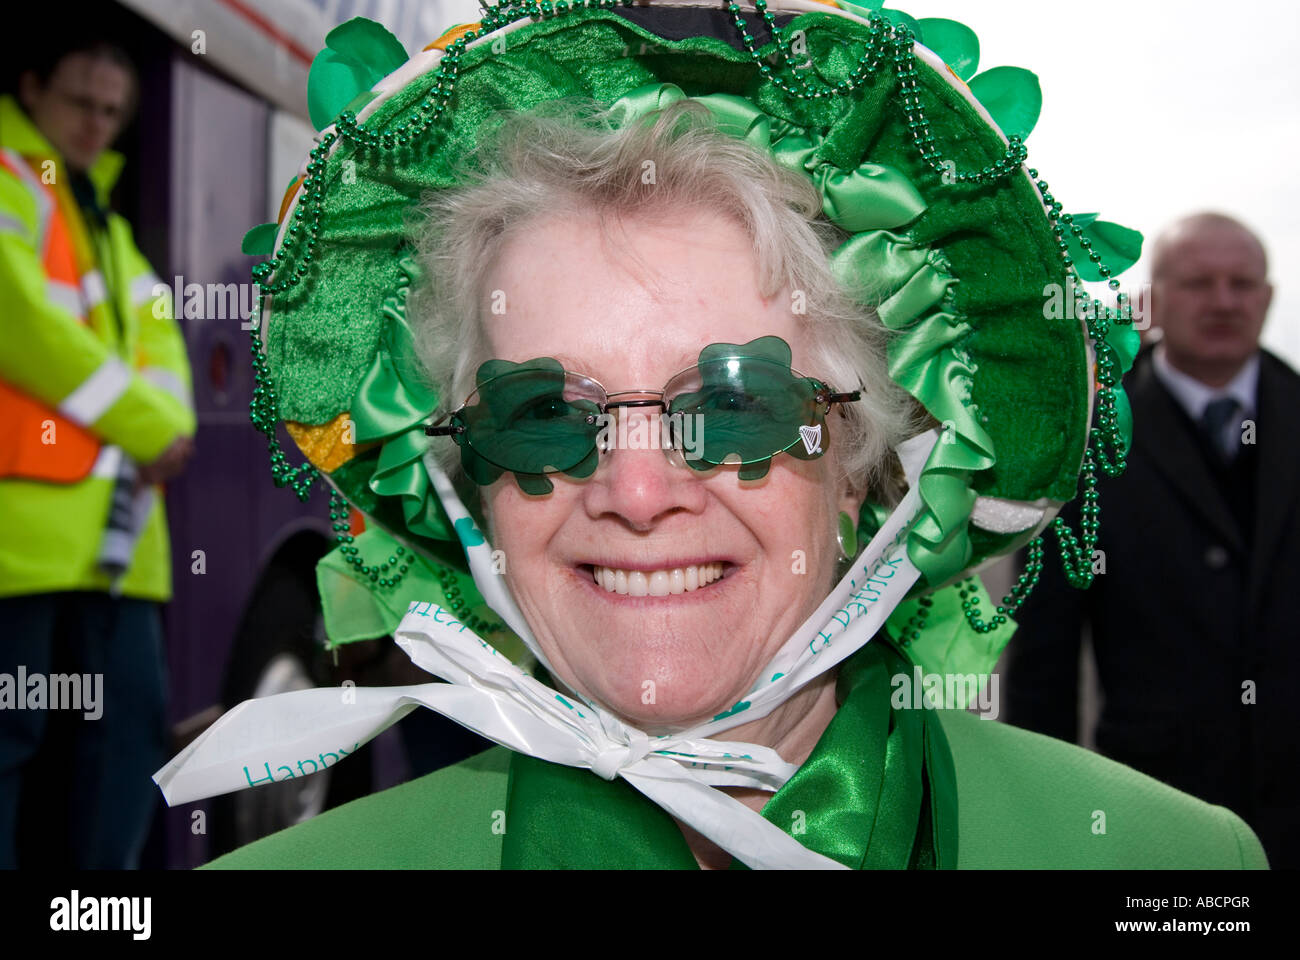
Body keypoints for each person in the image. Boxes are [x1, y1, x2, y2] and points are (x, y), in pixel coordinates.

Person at [156, 1, 1266, 869]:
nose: (636, 492)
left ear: (861, 467)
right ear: (468, 479)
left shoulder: (1175, 864)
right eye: (544, 417)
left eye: (735, 402)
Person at [1003, 212, 1299, 869]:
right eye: (1199, 283)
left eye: (1241, 283)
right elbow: (1044, 662)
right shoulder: (1087, 439)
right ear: (1154, 300)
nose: (1224, 301)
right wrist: (1041, 821)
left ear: (1269, 297)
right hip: (1158, 823)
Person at [0, 35, 195, 868]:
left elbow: (168, 359)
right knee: (14, 744)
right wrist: (151, 430)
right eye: (82, 102)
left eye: (113, 112)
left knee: (121, 752)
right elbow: (20, 323)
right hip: (26, 536)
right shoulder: (12, 184)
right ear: (32, 86)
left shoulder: (110, 235)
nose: (96, 125)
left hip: (119, 548)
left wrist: (166, 421)